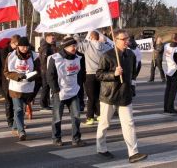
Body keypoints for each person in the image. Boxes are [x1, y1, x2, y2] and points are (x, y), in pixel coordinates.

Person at [96, 29, 147, 163]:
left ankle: (133, 152)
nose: (127, 41)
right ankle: (101, 148)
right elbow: (99, 75)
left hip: (125, 94)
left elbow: (133, 73)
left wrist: (132, 86)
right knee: (104, 123)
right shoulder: (107, 55)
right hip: (110, 95)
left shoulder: (131, 54)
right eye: (123, 39)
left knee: (129, 123)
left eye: (127, 39)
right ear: (115, 40)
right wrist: (114, 74)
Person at [47, 36, 86, 147]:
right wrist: (56, 90)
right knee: (57, 117)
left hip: (74, 91)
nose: (73, 48)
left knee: (76, 116)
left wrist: (80, 88)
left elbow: (81, 74)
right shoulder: (55, 58)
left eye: (74, 45)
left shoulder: (79, 57)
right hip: (60, 92)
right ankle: (56, 138)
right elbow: (50, 76)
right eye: (70, 46)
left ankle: (76, 139)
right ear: (65, 47)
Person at [4, 37, 40, 141]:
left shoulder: (34, 55)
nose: (24, 48)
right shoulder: (11, 56)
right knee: (18, 108)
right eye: (22, 46)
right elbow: (6, 72)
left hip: (28, 87)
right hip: (16, 87)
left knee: (22, 109)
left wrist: (33, 76)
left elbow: (38, 70)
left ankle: (15, 127)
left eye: (26, 46)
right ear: (18, 46)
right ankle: (21, 131)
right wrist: (18, 76)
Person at [77, 31, 112, 125]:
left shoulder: (87, 45)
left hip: (90, 74)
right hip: (102, 74)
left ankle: (90, 117)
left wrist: (75, 36)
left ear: (91, 38)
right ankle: (100, 115)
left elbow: (77, 45)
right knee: (100, 96)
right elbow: (112, 50)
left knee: (91, 97)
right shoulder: (105, 47)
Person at [0, 34, 20, 127]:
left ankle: (18, 121)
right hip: (7, 79)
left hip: (18, 79)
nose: (18, 47)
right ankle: (10, 120)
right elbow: (6, 65)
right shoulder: (5, 51)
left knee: (18, 101)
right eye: (17, 45)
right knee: (9, 100)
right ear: (13, 43)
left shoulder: (19, 50)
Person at [38, 33, 57, 111]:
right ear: (47, 38)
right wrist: (46, 69)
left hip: (49, 69)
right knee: (46, 87)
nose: (53, 40)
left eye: (54, 38)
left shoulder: (51, 46)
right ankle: (43, 104)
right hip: (46, 70)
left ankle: (45, 103)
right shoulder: (46, 47)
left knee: (47, 86)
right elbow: (43, 60)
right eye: (52, 38)